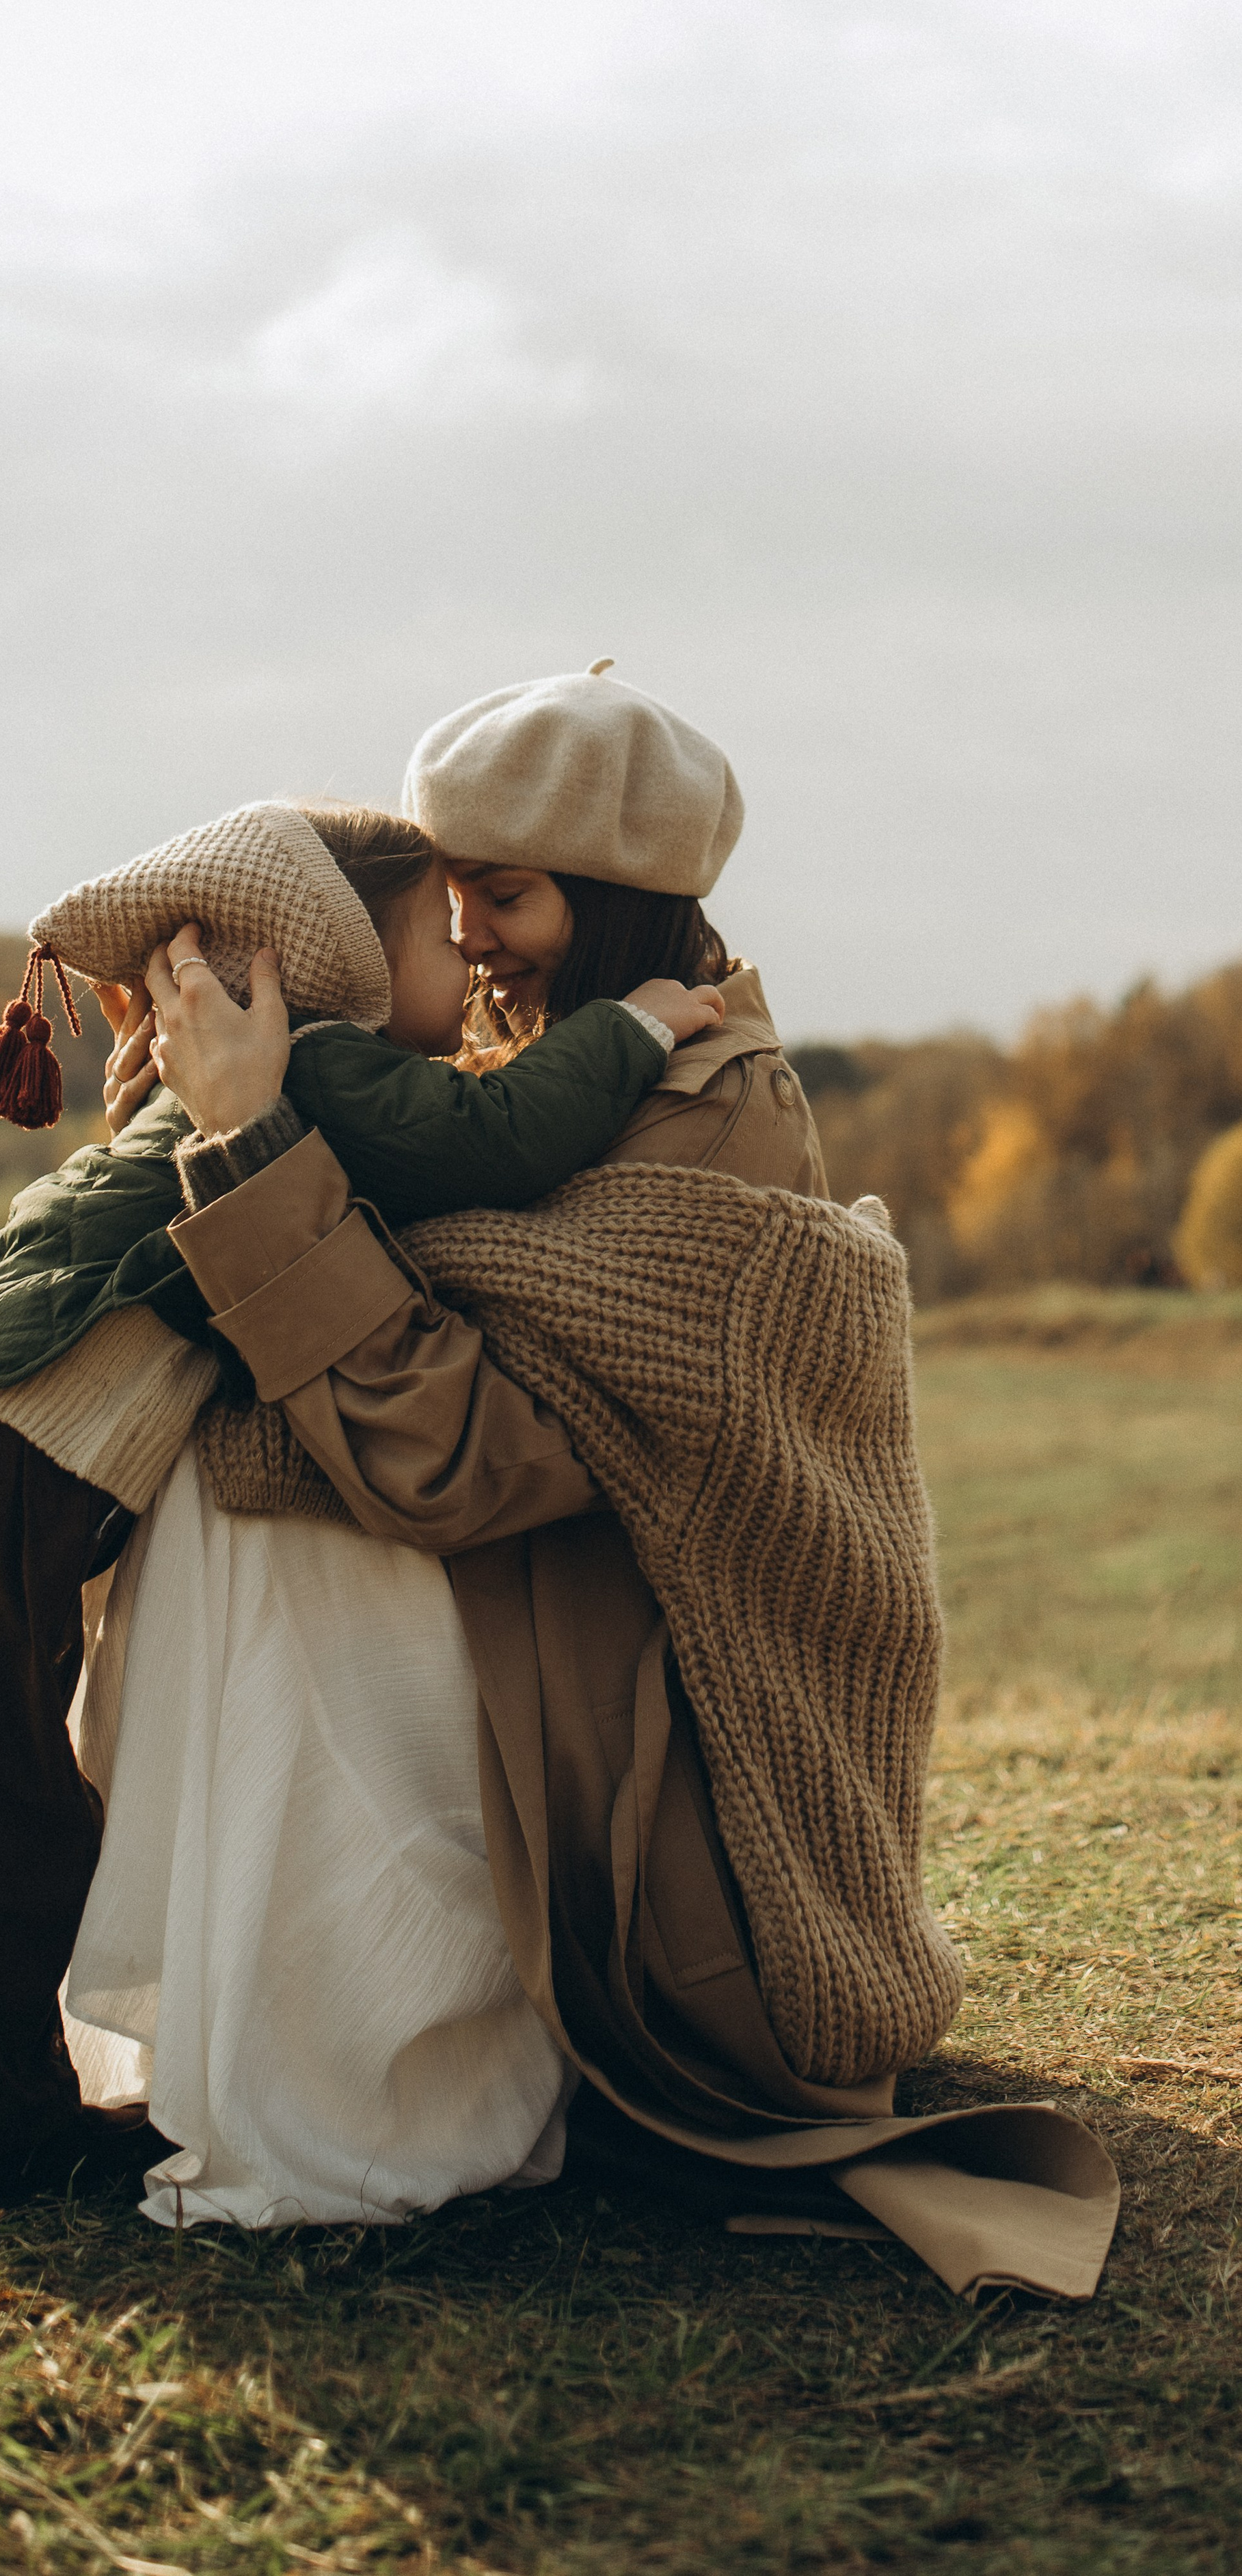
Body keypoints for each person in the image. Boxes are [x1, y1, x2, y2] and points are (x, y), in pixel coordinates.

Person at [123, 666, 1118, 2298]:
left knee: (283, 1523)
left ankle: (382, 2059)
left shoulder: (708, 1114)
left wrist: (249, 1157)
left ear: (614, 899)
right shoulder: (523, 1072)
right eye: (449, 896)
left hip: (646, 1686)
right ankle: (276, 2020)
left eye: (504, 895)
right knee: (227, 1488)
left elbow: (461, 1459)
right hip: (548, 1590)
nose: (470, 933)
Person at [0, 794, 720, 2204]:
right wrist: (638, 1022)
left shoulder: (223, 1082)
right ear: (337, 954)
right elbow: (496, 1137)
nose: (464, 972)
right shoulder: (317, 1068)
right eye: (435, 939)